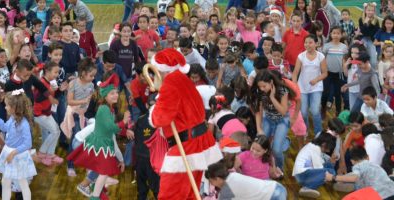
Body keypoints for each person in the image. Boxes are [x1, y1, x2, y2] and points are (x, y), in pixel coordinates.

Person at [148, 48, 222, 199]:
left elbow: (159, 119)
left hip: (186, 146)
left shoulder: (170, 83)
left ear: (161, 69)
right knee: (189, 193)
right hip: (199, 141)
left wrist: (154, 109)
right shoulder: (183, 80)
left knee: (170, 195)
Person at [67, 73, 130, 200]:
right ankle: (95, 196)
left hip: (103, 143)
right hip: (100, 144)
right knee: (104, 171)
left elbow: (111, 128)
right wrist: (124, 121)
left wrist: (123, 128)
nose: (116, 95)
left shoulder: (110, 109)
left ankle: (90, 189)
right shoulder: (103, 109)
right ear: (105, 96)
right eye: (112, 93)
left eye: (116, 92)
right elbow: (110, 128)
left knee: (100, 170)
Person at [0, 90, 37, 200]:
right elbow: (4, 127)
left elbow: (28, 143)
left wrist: (13, 153)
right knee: (6, 181)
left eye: (7, 105)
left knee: (22, 183)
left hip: (18, 156)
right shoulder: (13, 118)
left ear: (15, 108)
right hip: (10, 152)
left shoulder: (24, 124)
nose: (5, 108)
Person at [250, 69, 294, 170]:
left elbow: (283, 111)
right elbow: (258, 111)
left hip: (282, 121)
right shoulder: (260, 92)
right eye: (259, 86)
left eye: (264, 86)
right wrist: (259, 129)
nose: (261, 89)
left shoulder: (282, 90)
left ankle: (279, 169)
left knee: (276, 150)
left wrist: (272, 97)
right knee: (260, 145)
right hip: (268, 119)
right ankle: (263, 167)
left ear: (271, 82)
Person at [61, 58, 96, 176]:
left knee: (86, 139)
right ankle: (70, 164)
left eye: (94, 76)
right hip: (73, 113)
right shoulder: (73, 83)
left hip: (84, 115)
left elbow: (90, 100)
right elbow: (70, 101)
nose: (93, 78)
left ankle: (87, 164)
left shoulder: (91, 85)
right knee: (76, 138)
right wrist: (83, 101)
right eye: (91, 75)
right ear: (83, 73)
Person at [325, 146, 394, 199]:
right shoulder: (375, 165)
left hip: (379, 195)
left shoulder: (358, 166)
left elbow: (354, 177)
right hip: (391, 191)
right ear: (368, 157)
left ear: (352, 161)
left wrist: (333, 177)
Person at [292, 34, 328, 136]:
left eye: (310, 42)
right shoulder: (301, 56)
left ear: (316, 44)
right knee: (303, 112)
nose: (307, 44)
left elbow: (325, 73)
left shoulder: (321, 56)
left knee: (315, 110)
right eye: (306, 42)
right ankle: (305, 129)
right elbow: (295, 73)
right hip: (302, 88)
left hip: (316, 87)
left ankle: (318, 132)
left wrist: (316, 80)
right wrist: (294, 85)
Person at [33, 61, 66, 166]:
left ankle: (50, 154)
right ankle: (42, 153)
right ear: (47, 71)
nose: (57, 75)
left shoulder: (52, 82)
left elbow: (53, 95)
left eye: (58, 73)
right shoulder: (41, 82)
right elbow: (37, 98)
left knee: (56, 131)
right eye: (55, 72)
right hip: (39, 113)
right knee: (55, 131)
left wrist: (60, 90)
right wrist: (49, 93)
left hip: (46, 112)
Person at [205, 161, 287, 200]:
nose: (212, 184)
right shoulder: (232, 174)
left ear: (218, 179)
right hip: (275, 186)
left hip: (273, 196)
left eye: (211, 181)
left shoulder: (226, 191)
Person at [293, 131, 337, 198]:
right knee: (331, 172)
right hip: (302, 175)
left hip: (304, 173)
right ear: (323, 144)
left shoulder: (314, 146)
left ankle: (329, 180)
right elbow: (319, 168)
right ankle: (307, 188)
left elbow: (321, 163)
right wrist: (331, 174)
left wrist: (330, 163)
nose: (327, 151)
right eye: (328, 149)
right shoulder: (315, 148)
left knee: (329, 165)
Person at [322, 26, 348, 115]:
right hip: (328, 73)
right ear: (330, 34)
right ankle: (323, 109)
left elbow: (345, 60)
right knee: (325, 92)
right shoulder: (327, 46)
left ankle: (338, 111)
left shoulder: (344, 47)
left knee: (338, 94)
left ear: (341, 35)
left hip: (339, 74)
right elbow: (323, 59)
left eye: (338, 33)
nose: (336, 35)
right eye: (334, 33)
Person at [359, 2, 380, 69]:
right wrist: (365, 23)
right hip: (364, 39)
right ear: (365, 11)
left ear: (374, 11)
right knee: (362, 56)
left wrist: (368, 24)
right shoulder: (361, 20)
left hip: (372, 40)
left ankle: (372, 72)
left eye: (372, 10)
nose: (370, 12)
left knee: (373, 61)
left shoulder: (376, 20)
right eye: (368, 10)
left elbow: (373, 33)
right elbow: (363, 32)